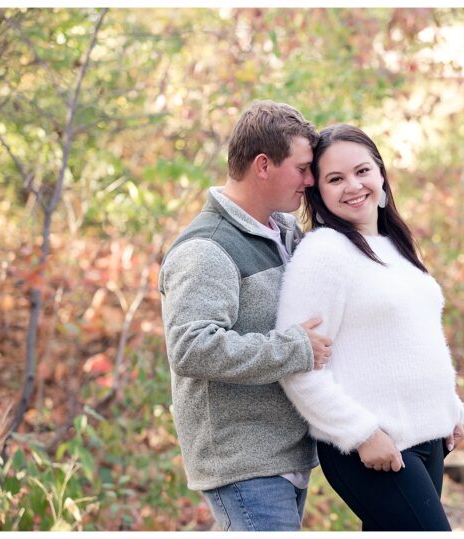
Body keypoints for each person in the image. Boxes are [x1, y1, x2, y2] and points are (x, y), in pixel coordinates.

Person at [275, 124, 464, 531]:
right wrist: (361, 434)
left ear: (380, 172)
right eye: (335, 179)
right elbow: (299, 364)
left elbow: (415, 335)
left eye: (362, 171)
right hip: (372, 447)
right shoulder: (324, 253)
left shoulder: (394, 245)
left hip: (427, 439)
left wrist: (449, 405)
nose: (353, 186)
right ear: (319, 192)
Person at [158, 101, 334, 531]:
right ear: (263, 165)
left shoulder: (283, 231)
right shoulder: (207, 249)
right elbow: (191, 348)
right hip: (244, 462)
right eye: (302, 168)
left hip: (283, 452)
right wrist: (293, 349)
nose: (310, 181)